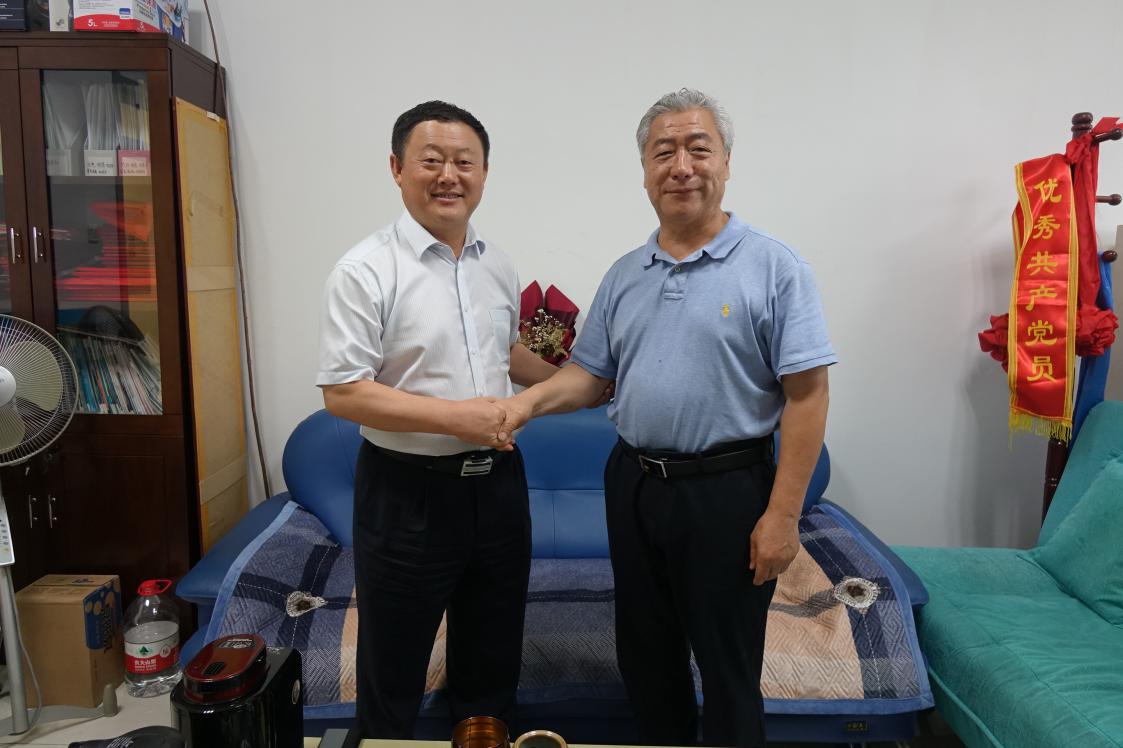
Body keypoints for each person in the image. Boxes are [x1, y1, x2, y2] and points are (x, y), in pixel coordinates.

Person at [501, 89, 835, 747]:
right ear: (646, 171)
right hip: (633, 484)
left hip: (727, 492)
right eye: (663, 152)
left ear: (726, 162)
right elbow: (589, 378)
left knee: (728, 668)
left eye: (697, 149)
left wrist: (782, 515)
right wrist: (520, 406)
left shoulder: (775, 267)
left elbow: (807, 396)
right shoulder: (626, 274)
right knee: (646, 658)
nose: (681, 166)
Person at [316, 100, 559, 739]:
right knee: (393, 664)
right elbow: (343, 392)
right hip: (406, 493)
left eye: (464, 162)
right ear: (397, 169)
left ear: (484, 173)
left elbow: (505, 353)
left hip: (499, 487)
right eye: (431, 160)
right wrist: (456, 420)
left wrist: (579, 381)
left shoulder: (496, 264)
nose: (449, 175)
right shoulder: (364, 269)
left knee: (492, 658)